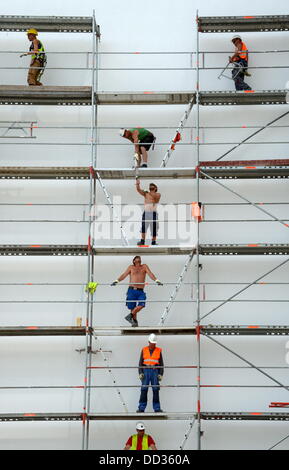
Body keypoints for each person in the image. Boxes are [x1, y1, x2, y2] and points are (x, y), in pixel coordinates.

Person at [111, 256, 163, 326]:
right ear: (134, 261)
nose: (138, 261)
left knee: (142, 304)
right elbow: (124, 275)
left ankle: (130, 316)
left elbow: (150, 274)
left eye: (139, 260)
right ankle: (134, 322)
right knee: (132, 307)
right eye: (137, 260)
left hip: (140, 291)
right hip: (132, 290)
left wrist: (157, 280)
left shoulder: (144, 266)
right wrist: (116, 281)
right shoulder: (131, 267)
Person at [137, 334, 164, 413]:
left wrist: (161, 374)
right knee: (144, 389)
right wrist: (140, 372)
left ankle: (157, 408)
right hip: (145, 371)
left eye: (154, 343)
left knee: (155, 390)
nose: (153, 344)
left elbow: (161, 364)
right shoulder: (144, 350)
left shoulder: (158, 350)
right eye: (152, 343)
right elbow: (140, 363)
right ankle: (141, 408)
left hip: (155, 371)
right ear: (148, 342)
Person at [136, 179, 161, 246]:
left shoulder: (157, 194)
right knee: (144, 227)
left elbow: (154, 196)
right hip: (146, 212)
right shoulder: (146, 194)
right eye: (150, 186)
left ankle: (153, 241)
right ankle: (142, 241)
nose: (150, 187)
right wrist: (137, 184)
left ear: (155, 188)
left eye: (152, 186)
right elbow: (138, 190)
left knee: (154, 228)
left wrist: (147, 192)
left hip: (153, 213)